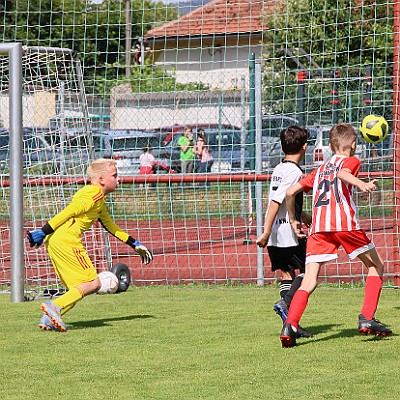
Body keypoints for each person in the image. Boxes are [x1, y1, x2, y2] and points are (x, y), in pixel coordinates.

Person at [281, 123, 392, 347]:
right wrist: (361, 184)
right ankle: (367, 318)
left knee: (310, 280)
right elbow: (343, 173)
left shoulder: (319, 169)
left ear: (331, 146)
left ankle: (290, 325)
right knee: (376, 266)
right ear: (353, 145)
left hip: (319, 229)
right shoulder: (351, 161)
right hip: (344, 225)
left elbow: (291, 192)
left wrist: (294, 219)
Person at [27, 158, 153, 332]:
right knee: (93, 283)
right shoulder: (93, 194)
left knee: (77, 289)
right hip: (66, 240)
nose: (118, 179)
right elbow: (69, 211)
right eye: (115, 176)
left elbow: (111, 226)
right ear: (101, 179)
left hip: (57, 241)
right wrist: (43, 230)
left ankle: (48, 318)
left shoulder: (99, 200)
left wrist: (135, 243)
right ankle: (54, 306)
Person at [256, 126, 311, 339]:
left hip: (278, 234)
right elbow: (276, 202)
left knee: (287, 274)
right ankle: (286, 303)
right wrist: (265, 231)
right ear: (304, 147)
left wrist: (305, 217)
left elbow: (278, 203)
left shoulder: (279, 169)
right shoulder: (295, 172)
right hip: (287, 232)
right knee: (309, 274)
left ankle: (290, 324)